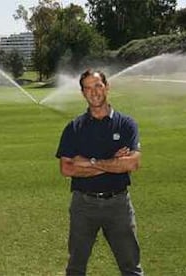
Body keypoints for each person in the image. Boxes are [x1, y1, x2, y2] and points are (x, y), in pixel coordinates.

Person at [55, 69, 144, 276]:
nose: (93, 92)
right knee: (76, 268)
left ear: (106, 87)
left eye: (97, 86)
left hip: (118, 205)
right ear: (82, 94)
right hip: (83, 206)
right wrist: (113, 162)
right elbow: (66, 168)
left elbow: (132, 164)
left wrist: (88, 163)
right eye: (87, 88)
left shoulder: (126, 124)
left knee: (131, 268)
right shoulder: (74, 128)